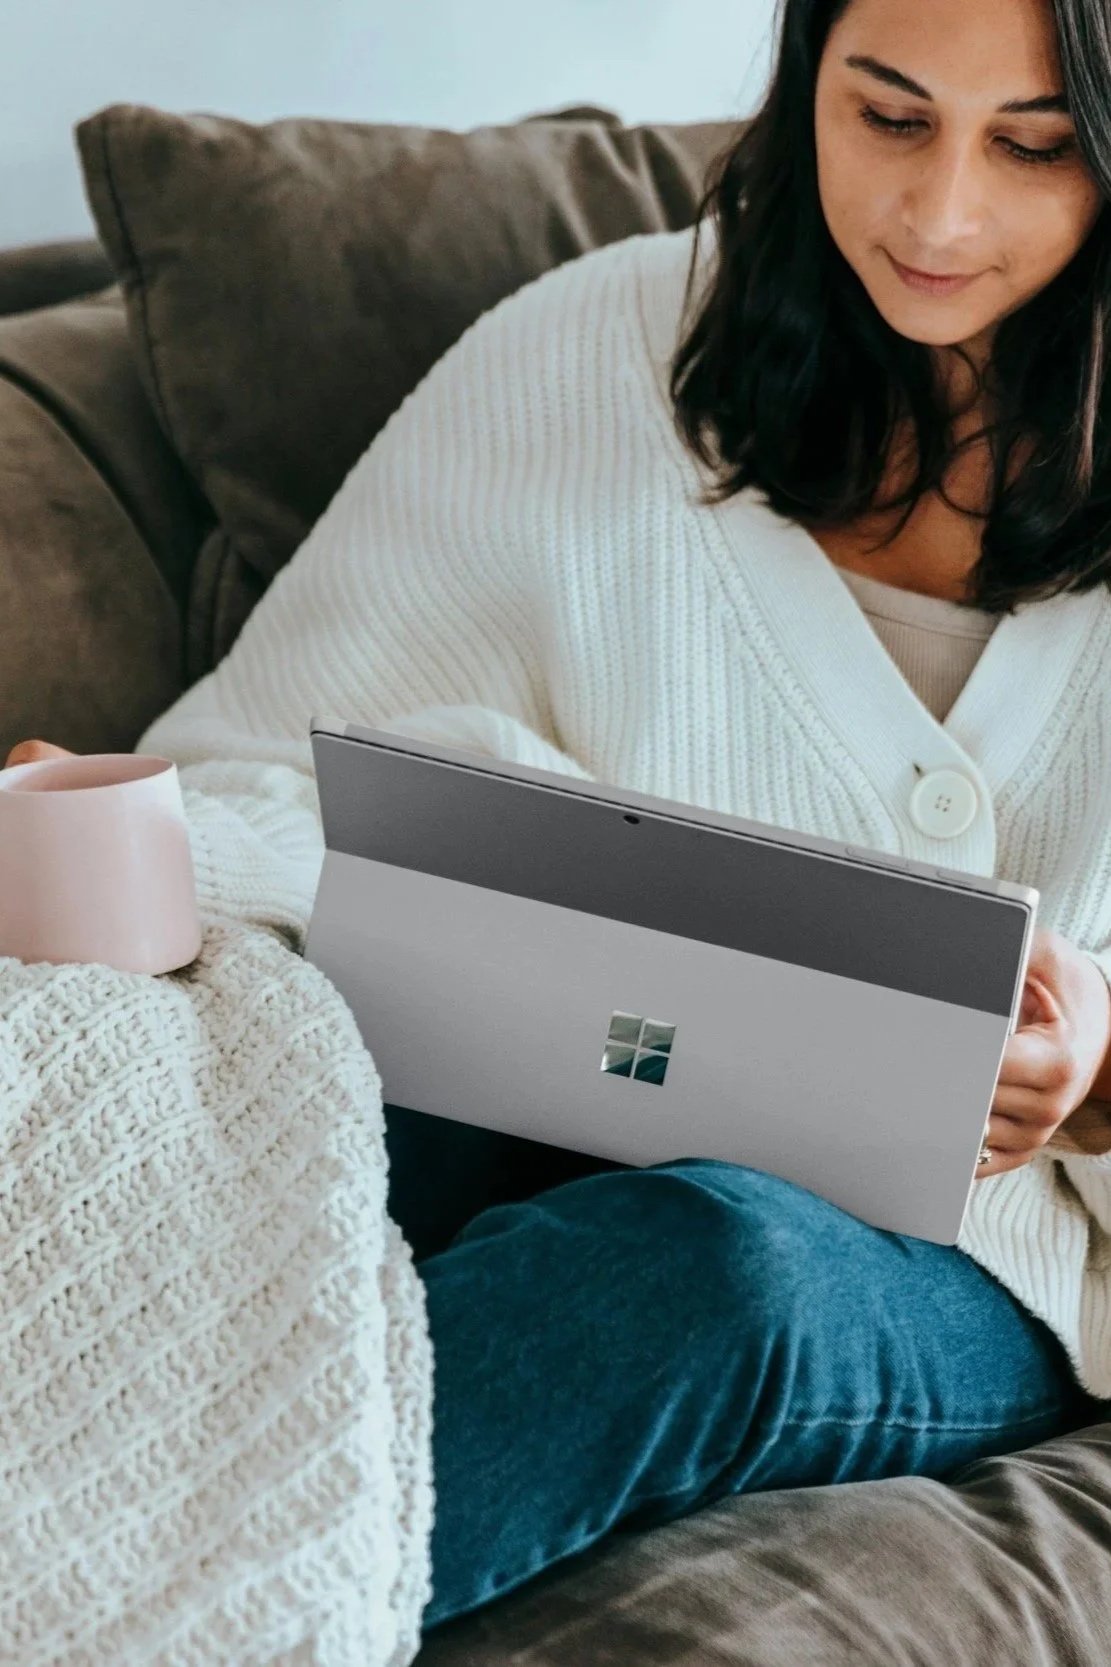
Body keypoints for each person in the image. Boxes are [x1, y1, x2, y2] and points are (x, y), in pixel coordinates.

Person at [12, 0, 1111, 1634]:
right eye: (887, 116)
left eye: (1034, 147)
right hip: (537, 1086)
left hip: (969, 1252)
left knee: (705, 1268)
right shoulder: (603, 349)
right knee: (258, 1108)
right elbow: (282, 767)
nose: (941, 213)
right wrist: (122, 835)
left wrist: (1097, 1081)